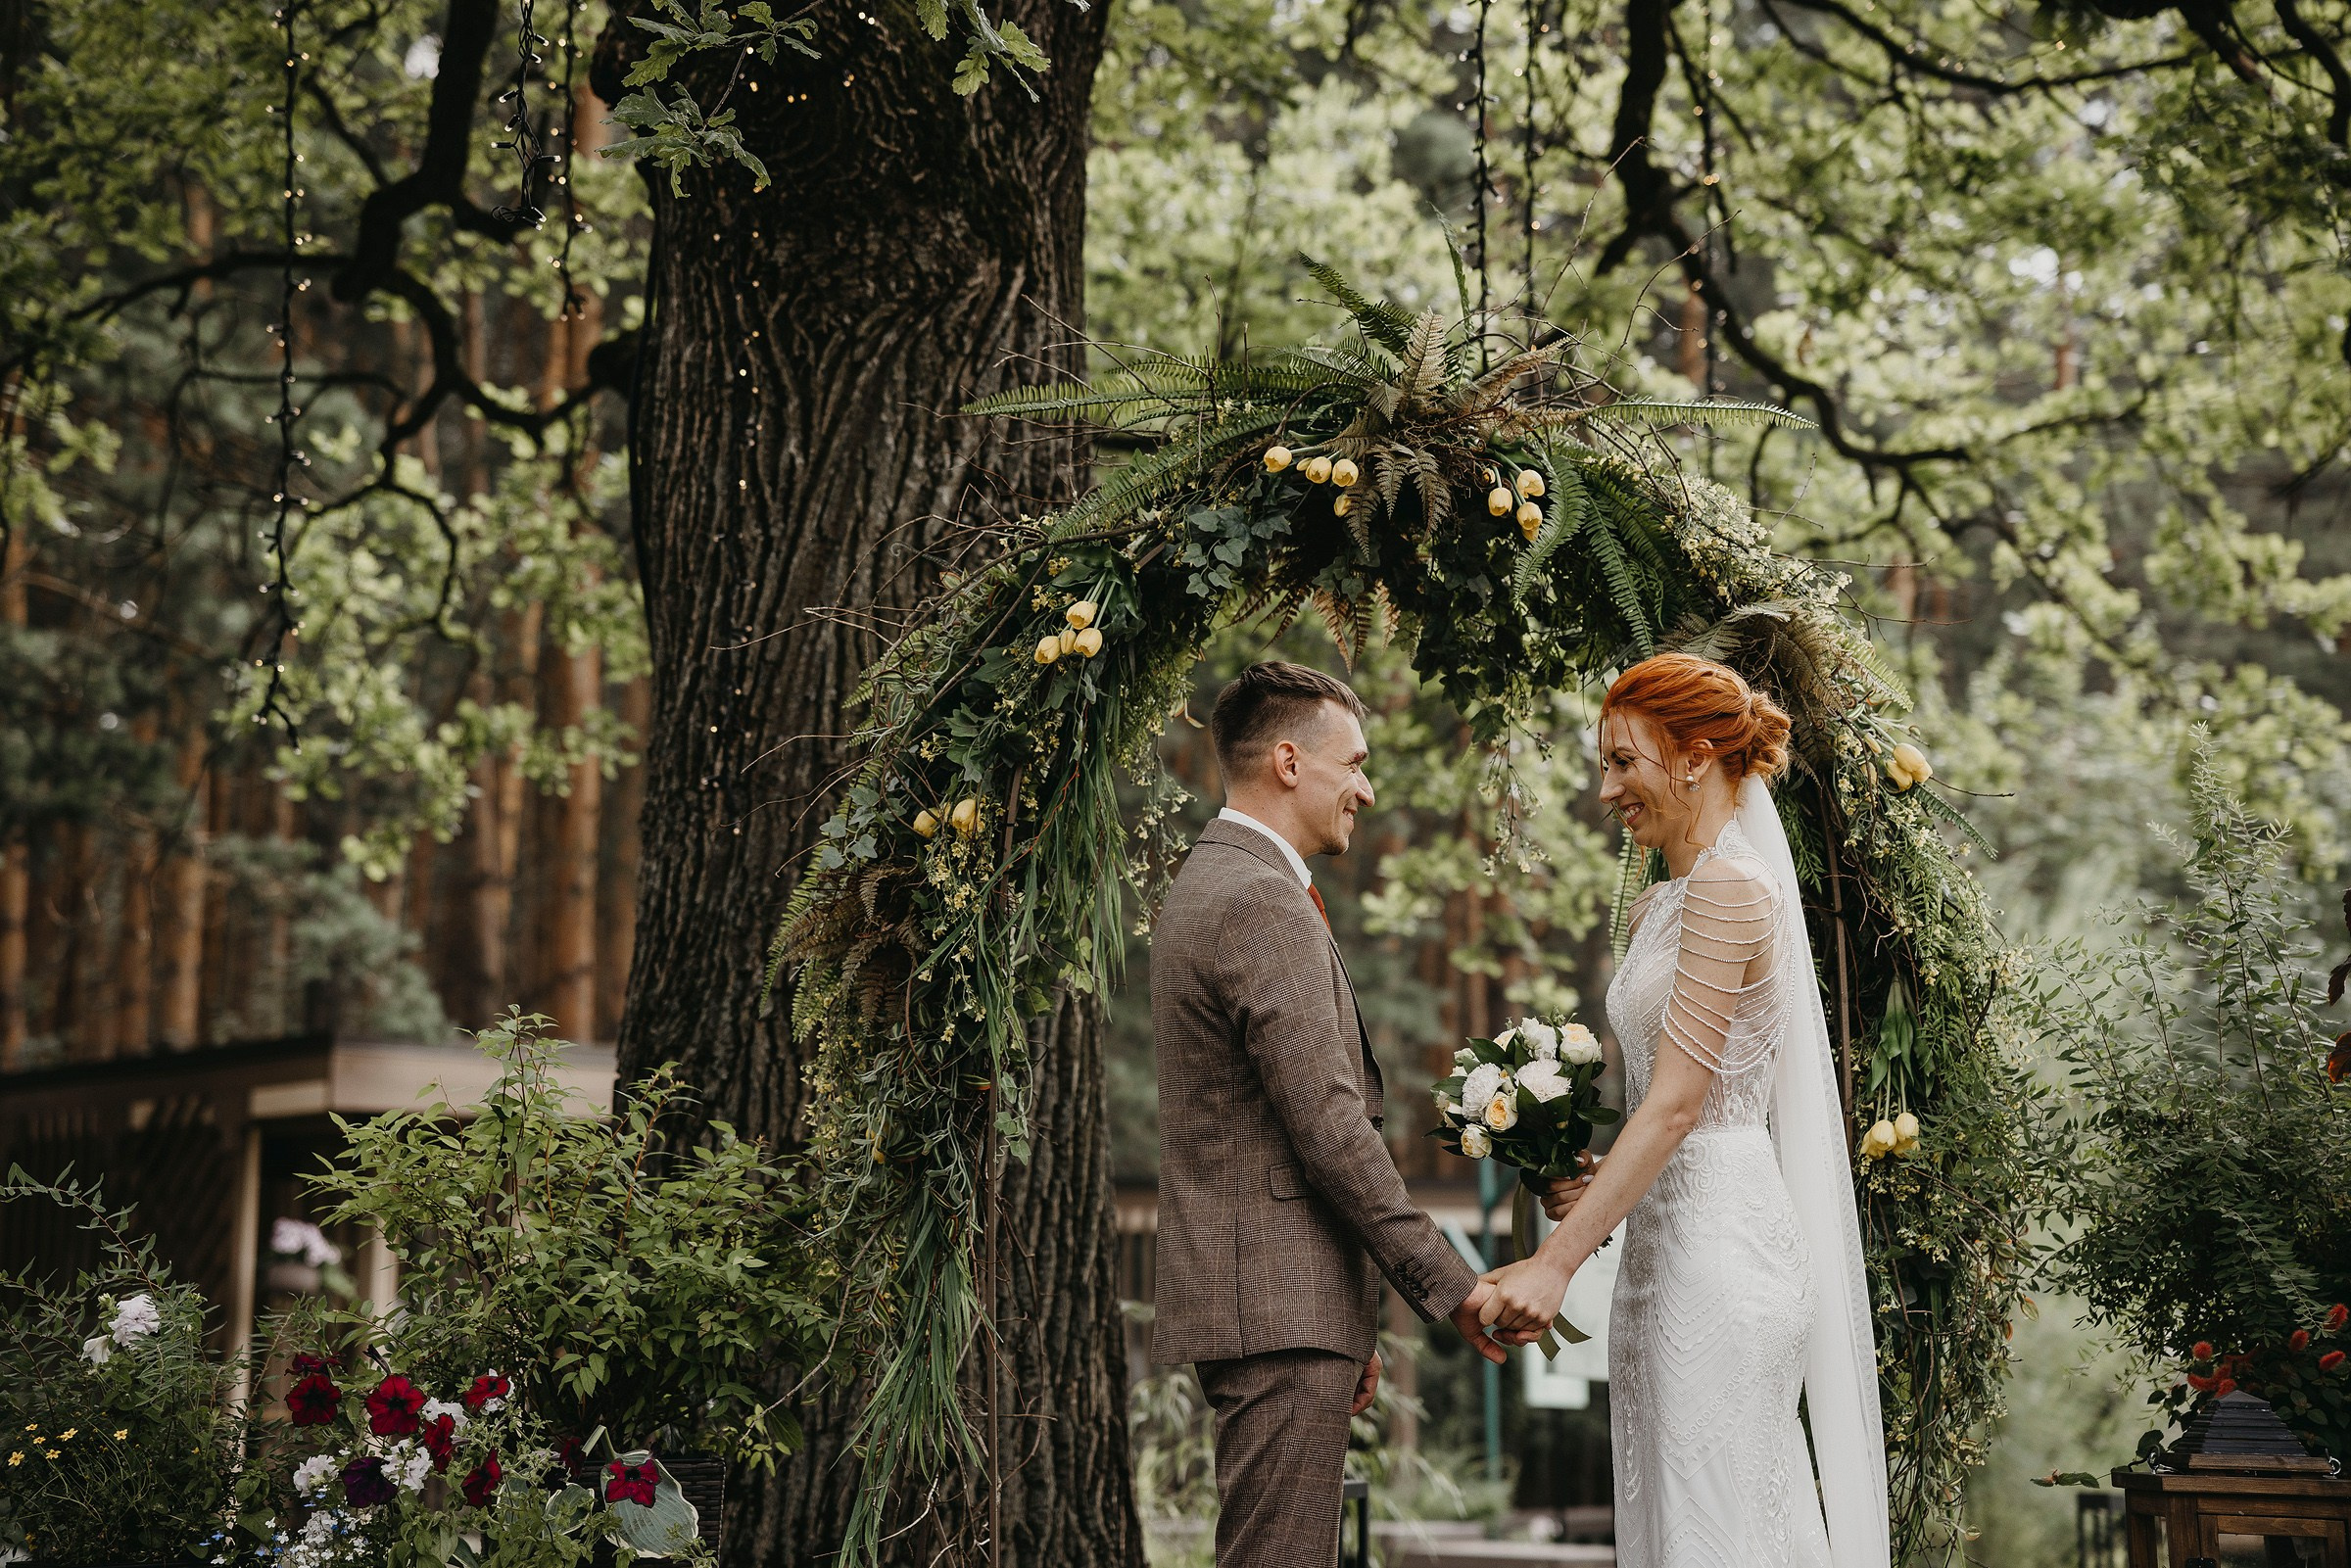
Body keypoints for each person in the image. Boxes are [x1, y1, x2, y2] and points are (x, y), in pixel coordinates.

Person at [1477, 652, 1891, 1568]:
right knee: (1673, 1521)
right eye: (1605, 764)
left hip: (1721, 1259)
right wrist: (1587, 1185)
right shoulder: (1659, 905)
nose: (1607, 788)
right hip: (1657, 1255)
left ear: (1697, 756)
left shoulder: (1732, 891)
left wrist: (1555, 1262)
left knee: (1723, 1527)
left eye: (1625, 760)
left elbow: (1675, 1108)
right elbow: (1658, 1103)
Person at [1150, 659, 1507, 1567]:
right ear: (1288, 761)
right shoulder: (1259, 899)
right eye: (1354, 761)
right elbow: (1329, 1128)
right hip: (1277, 1313)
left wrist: (1353, 1318)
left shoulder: (1221, 880)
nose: (1368, 786)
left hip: (1286, 1308)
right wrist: (1449, 1283)